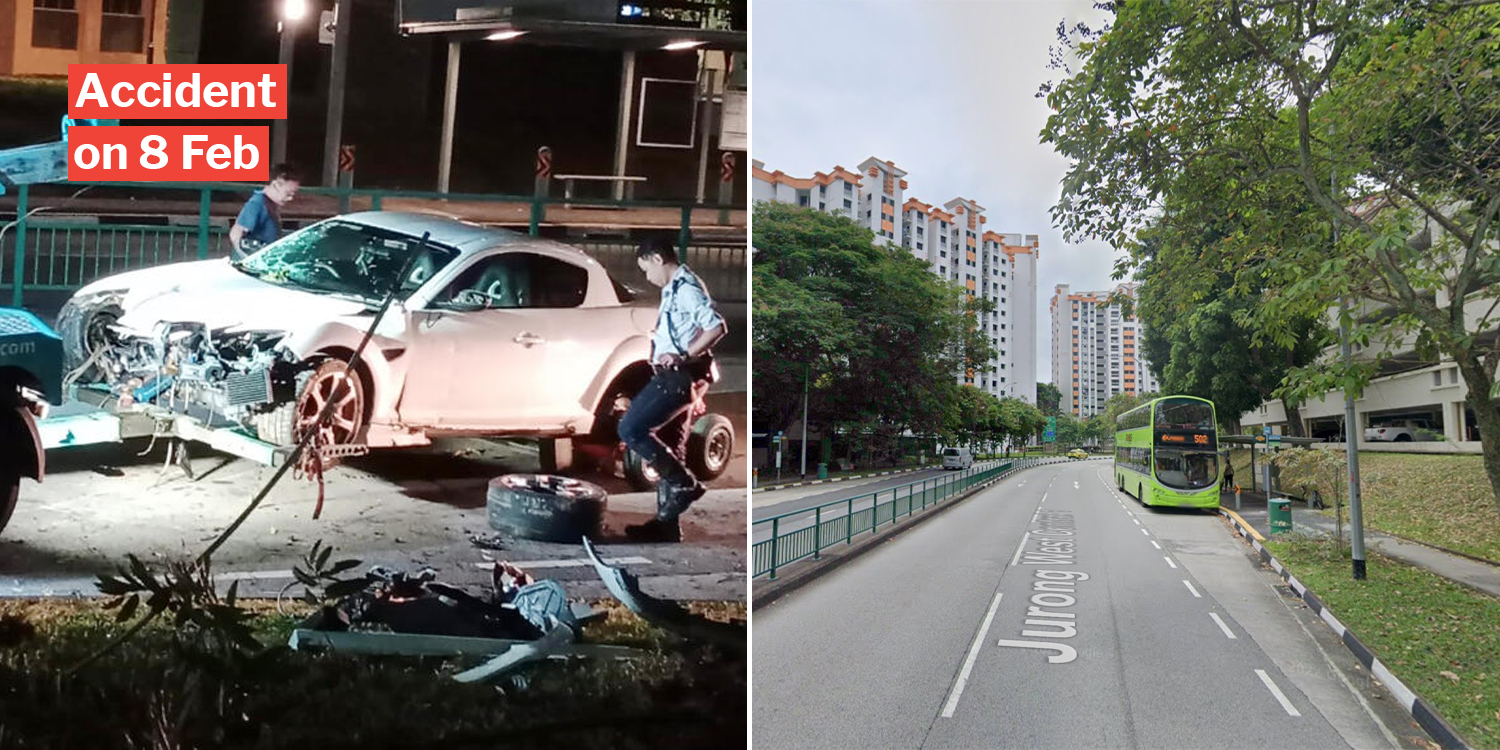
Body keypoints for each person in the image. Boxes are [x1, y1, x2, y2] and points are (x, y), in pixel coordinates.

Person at [620, 237, 728, 543]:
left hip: (677, 376)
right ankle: (666, 526)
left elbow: (716, 326)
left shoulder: (686, 289)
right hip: (679, 374)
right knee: (670, 444)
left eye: (645, 270)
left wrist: (684, 355)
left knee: (630, 428)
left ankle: (685, 484)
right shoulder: (674, 288)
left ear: (657, 258)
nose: (647, 278)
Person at [229, 163, 301, 260]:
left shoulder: (270, 205)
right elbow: (236, 233)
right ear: (276, 185)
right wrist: (246, 259)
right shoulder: (257, 203)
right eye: (288, 194)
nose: (290, 198)